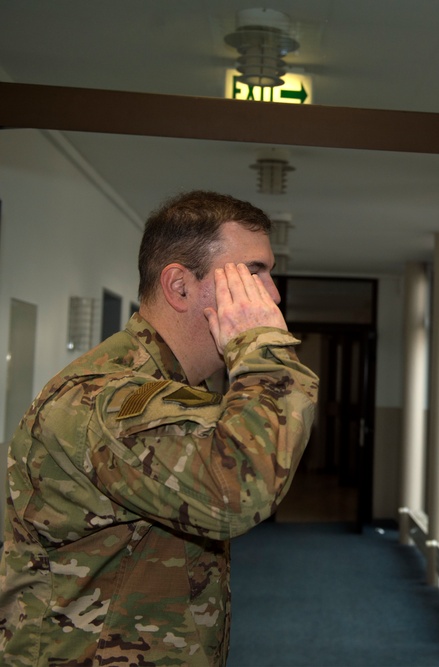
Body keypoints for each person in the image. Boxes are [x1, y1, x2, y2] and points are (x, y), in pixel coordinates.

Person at [0, 190, 319, 666]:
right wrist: (263, 347)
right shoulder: (106, 400)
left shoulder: (169, 386)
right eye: (253, 273)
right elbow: (239, 492)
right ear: (180, 286)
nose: (272, 294)